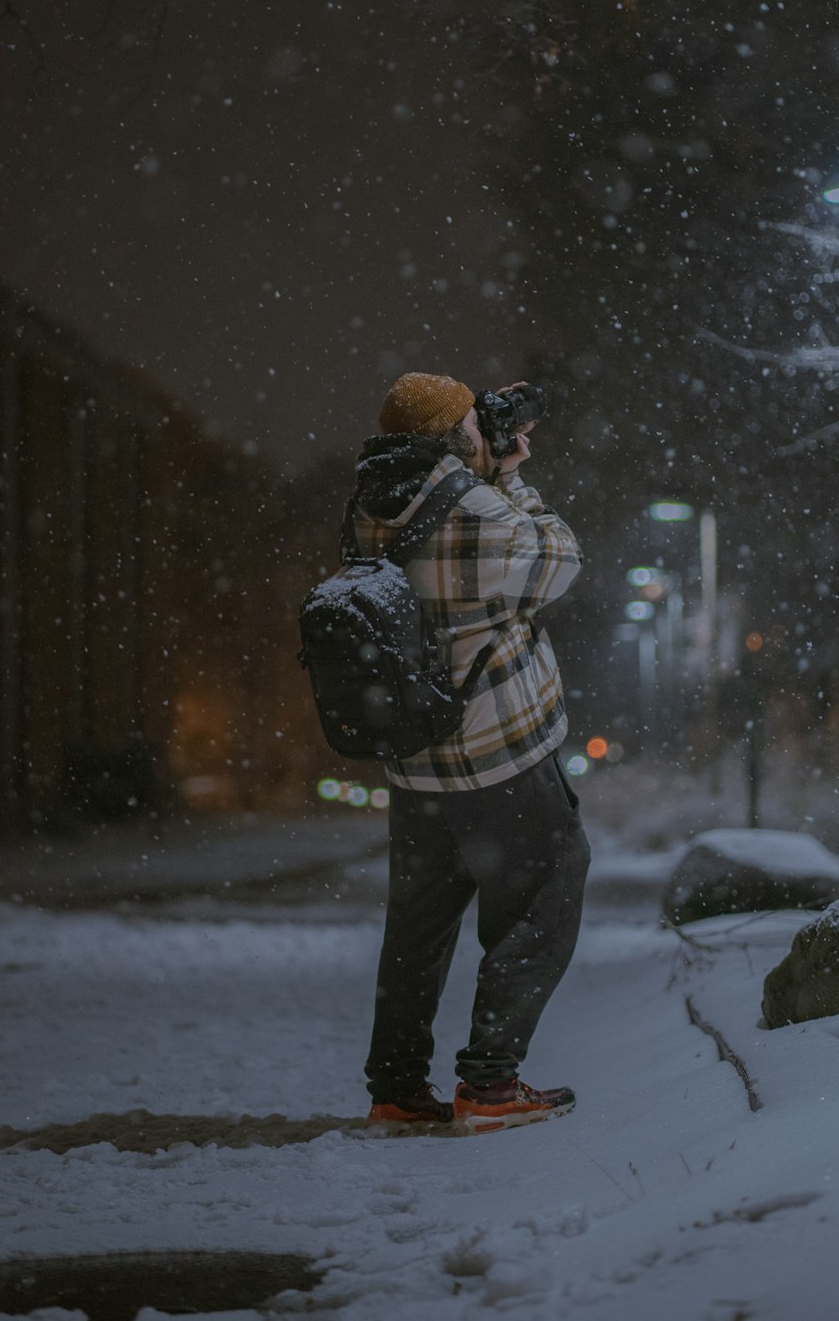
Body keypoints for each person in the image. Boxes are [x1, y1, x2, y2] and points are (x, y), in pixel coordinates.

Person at [350, 370, 590, 1134]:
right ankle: (490, 1084)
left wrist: (485, 463)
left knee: (418, 925)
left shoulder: (368, 504)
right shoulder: (480, 509)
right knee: (546, 892)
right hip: (497, 752)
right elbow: (562, 561)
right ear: (462, 439)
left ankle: (395, 1089)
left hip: (415, 759)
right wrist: (516, 479)